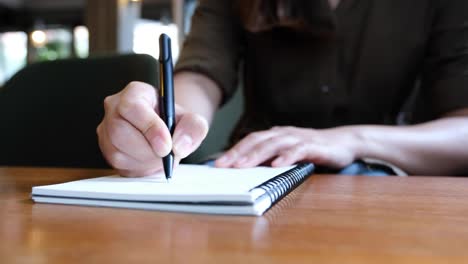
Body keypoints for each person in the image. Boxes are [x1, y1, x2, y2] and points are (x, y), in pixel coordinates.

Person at [97, 0, 468, 177]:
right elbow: (200, 76)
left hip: (384, 173)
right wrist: (165, 123)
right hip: (251, 173)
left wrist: (352, 140)